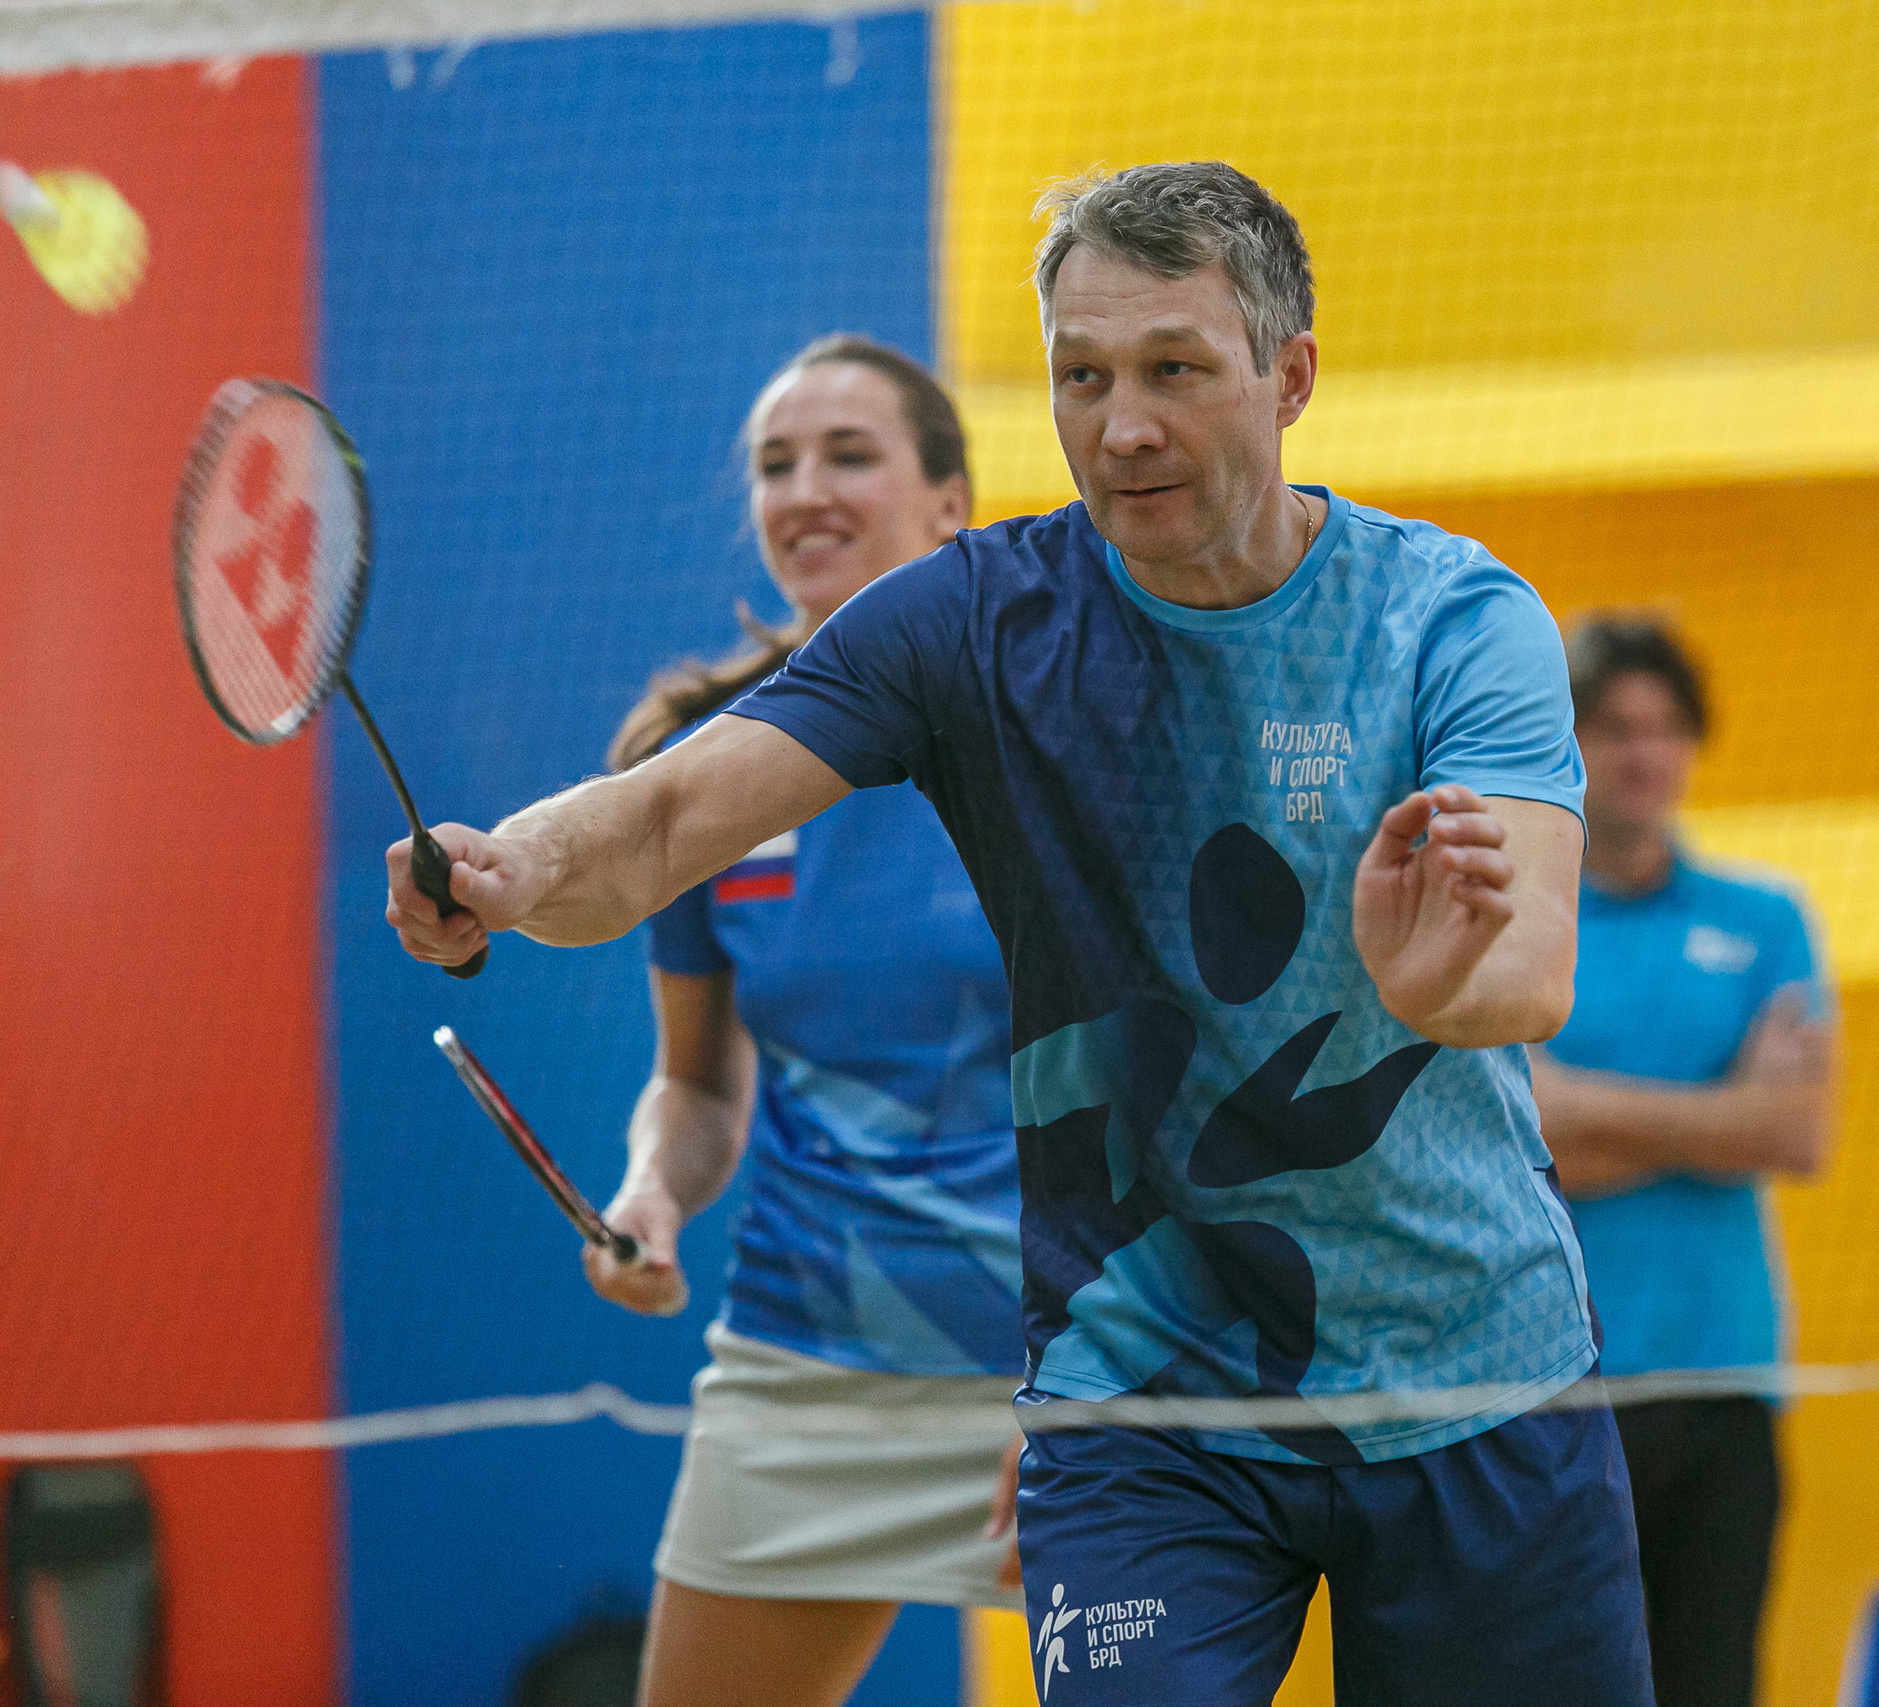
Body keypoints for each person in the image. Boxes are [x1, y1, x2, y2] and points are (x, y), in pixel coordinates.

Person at [386, 161, 1652, 1706]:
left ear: (1291, 376)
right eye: (1083, 375)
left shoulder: (1451, 617)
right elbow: (655, 825)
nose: (1123, 425)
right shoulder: (970, 623)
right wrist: (507, 865)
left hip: (1472, 1372)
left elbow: (1528, 973)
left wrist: (1426, 982)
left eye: (1175, 370)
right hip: (1146, 1395)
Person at [583, 334, 1022, 1707]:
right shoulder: (694, 766)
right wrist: (653, 1191)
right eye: (776, 464)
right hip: (803, 1369)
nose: (804, 489)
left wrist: (1111, 1360)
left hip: (1072, 1369)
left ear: (951, 498)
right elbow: (701, 1087)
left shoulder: (1058, 723)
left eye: (849, 453)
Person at [1531, 614, 1837, 1707]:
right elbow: (1519, 1152)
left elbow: (1797, 1134)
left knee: (1711, 1684)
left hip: (1723, 1379)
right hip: (1554, 1384)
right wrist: (1721, 1116)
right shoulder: (1519, 915)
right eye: (1613, 726)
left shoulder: (1764, 918)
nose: (1642, 753)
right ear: (1564, 741)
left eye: (1665, 728)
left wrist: (1584, 1112)